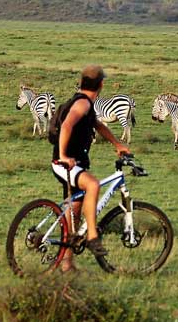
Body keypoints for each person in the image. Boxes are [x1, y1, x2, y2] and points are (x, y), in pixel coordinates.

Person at [51, 64, 130, 272]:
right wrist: (63, 156)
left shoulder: (84, 103)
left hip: (74, 164)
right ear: (101, 84)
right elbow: (67, 125)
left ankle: (67, 264)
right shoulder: (83, 104)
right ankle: (93, 237)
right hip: (66, 164)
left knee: (74, 213)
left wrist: (117, 144)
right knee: (93, 184)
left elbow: (97, 125)